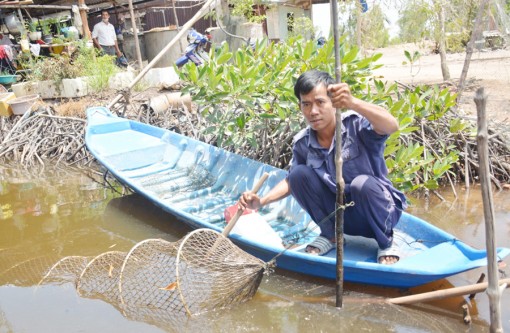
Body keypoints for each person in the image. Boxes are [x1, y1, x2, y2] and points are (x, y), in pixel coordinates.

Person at [238, 70, 407, 265]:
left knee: (361, 184)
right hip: (343, 220)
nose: (313, 111)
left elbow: (391, 126)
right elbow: (291, 181)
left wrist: (353, 102)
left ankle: (386, 242)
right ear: (300, 106)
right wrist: (262, 202)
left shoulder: (356, 125)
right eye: (306, 104)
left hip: (379, 213)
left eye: (320, 102)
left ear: (334, 102)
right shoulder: (302, 142)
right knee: (299, 174)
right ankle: (331, 235)